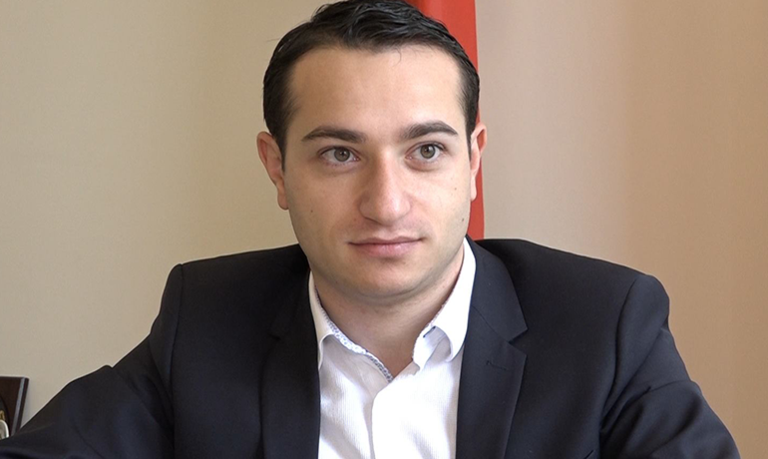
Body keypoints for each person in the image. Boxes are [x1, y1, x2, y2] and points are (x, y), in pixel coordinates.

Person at [0, 0, 739, 457]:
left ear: (473, 161)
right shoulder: (209, 318)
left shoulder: (604, 322)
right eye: (339, 153)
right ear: (277, 168)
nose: (386, 203)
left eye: (426, 151)